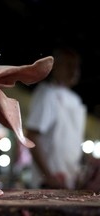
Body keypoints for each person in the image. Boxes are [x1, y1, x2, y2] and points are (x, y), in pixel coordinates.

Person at [25, 47, 87, 190]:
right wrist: (49, 176)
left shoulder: (75, 99)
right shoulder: (47, 94)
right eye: (68, 65)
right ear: (54, 67)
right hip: (49, 183)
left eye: (76, 66)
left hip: (70, 180)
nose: (74, 70)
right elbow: (32, 136)